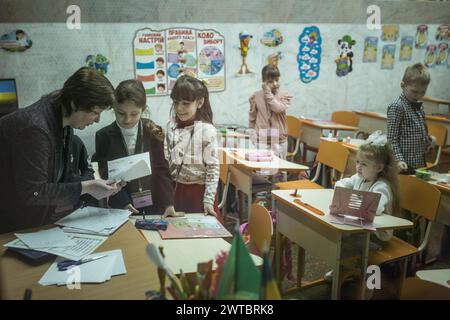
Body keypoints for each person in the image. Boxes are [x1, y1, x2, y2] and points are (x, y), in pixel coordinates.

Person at [0, 67, 122, 233]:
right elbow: (34, 192)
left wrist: (97, 188)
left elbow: (60, 178)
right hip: (10, 227)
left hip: (34, 223)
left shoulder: (64, 122)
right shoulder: (35, 129)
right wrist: (87, 187)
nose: (97, 120)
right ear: (74, 103)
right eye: (95, 112)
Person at [95, 79, 176, 216]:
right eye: (121, 113)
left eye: (134, 114)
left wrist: (168, 203)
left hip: (154, 203)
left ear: (143, 110)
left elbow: (162, 169)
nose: (127, 120)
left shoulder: (153, 131)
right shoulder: (103, 136)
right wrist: (123, 202)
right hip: (121, 205)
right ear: (114, 107)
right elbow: (106, 174)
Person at [164, 75, 220, 218]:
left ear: (200, 102)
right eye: (176, 103)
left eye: (186, 103)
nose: (179, 108)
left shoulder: (207, 131)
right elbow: (166, 163)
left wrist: (208, 200)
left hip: (198, 194)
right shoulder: (170, 127)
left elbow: (213, 168)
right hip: (175, 192)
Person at [335, 131, 399, 243]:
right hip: (362, 225)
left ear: (379, 168)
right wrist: (346, 195)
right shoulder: (358, 178)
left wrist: (348, 198)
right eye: (358, 162)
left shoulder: (381, 186)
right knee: (336, 230)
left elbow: (375, 208)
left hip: (377, 234)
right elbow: (340, 184)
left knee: (342, 240)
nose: (358, 167)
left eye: (364, 164)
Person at [387, 63, 436, 174]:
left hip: (418, 163)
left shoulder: (419, 107)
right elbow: (391, 139)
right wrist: (399, 160)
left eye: (423, 92)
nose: (418, 95)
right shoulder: (397, 106)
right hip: (403, 165)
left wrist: (430, 141)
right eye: (414, 91)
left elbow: (418, 134)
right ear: (403, 85)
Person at [248, 64, 293, 159]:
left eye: (277, 80)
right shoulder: (256, 96)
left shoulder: (284, 95)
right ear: (264, 81)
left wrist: (267, 92)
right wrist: (252, 134)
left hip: (279, 141)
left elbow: (277, 108)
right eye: (270, 81)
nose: (275, 84)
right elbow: (252, 117)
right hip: (261, 141)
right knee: (263, 171)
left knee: (279, 171)